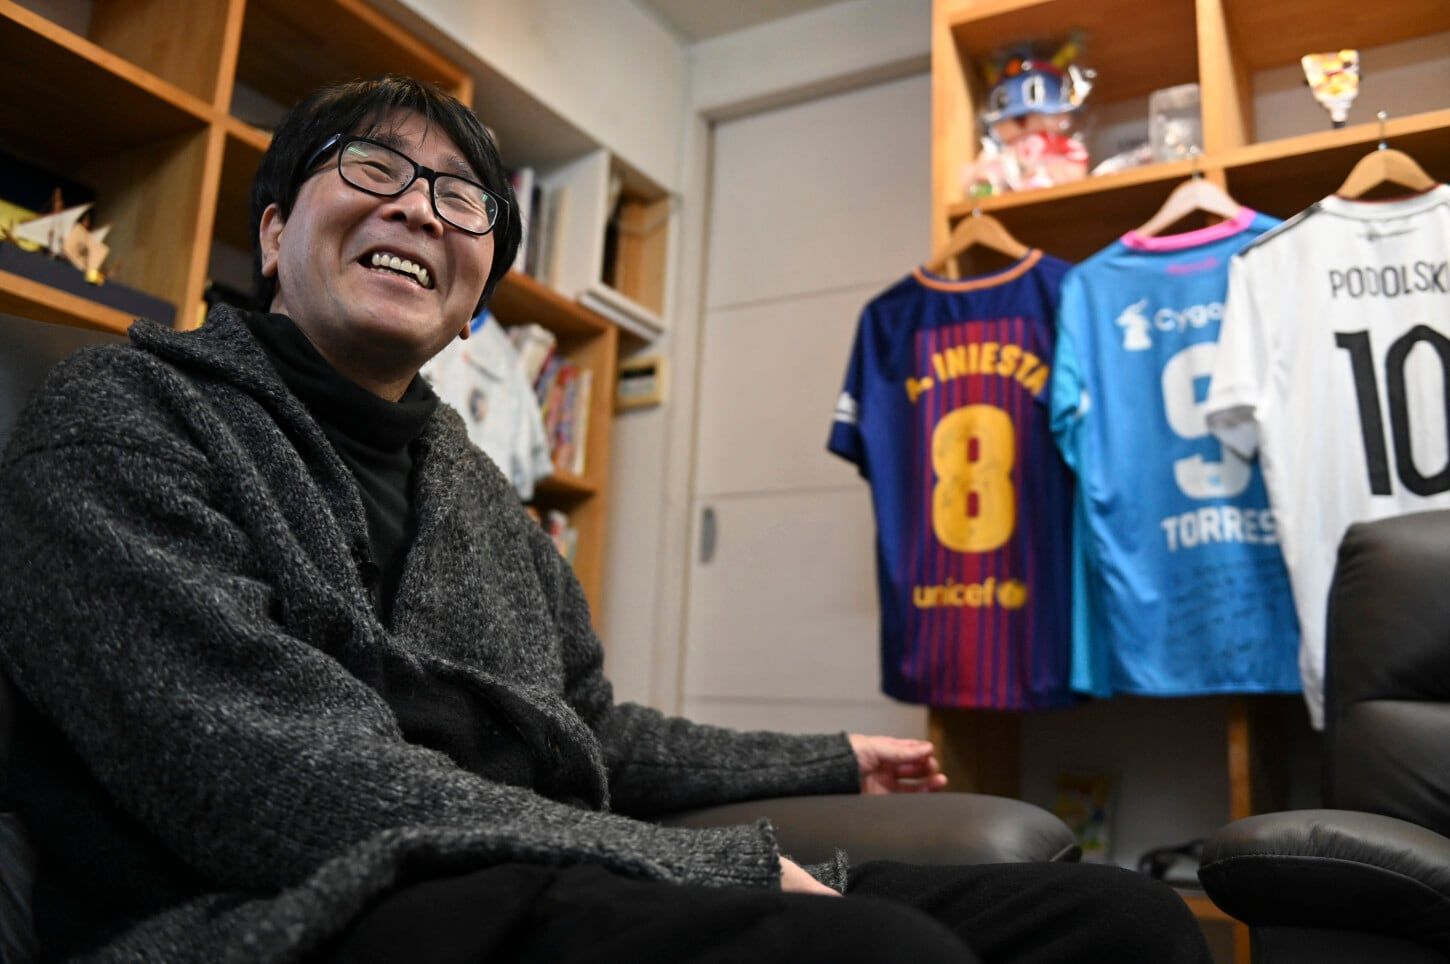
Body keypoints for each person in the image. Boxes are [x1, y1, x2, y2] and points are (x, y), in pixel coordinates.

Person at [0, 75, 1211, 963]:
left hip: (525, 868)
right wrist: (708, 864)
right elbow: (281, 785)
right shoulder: (129, 417)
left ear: (473, 304)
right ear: (272, 233)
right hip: (272, 910)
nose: (422, 211)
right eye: (373, 170)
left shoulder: (479, 491)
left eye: (463, 201)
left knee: (1117, 923)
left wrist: (829, 759)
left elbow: (588, 730)